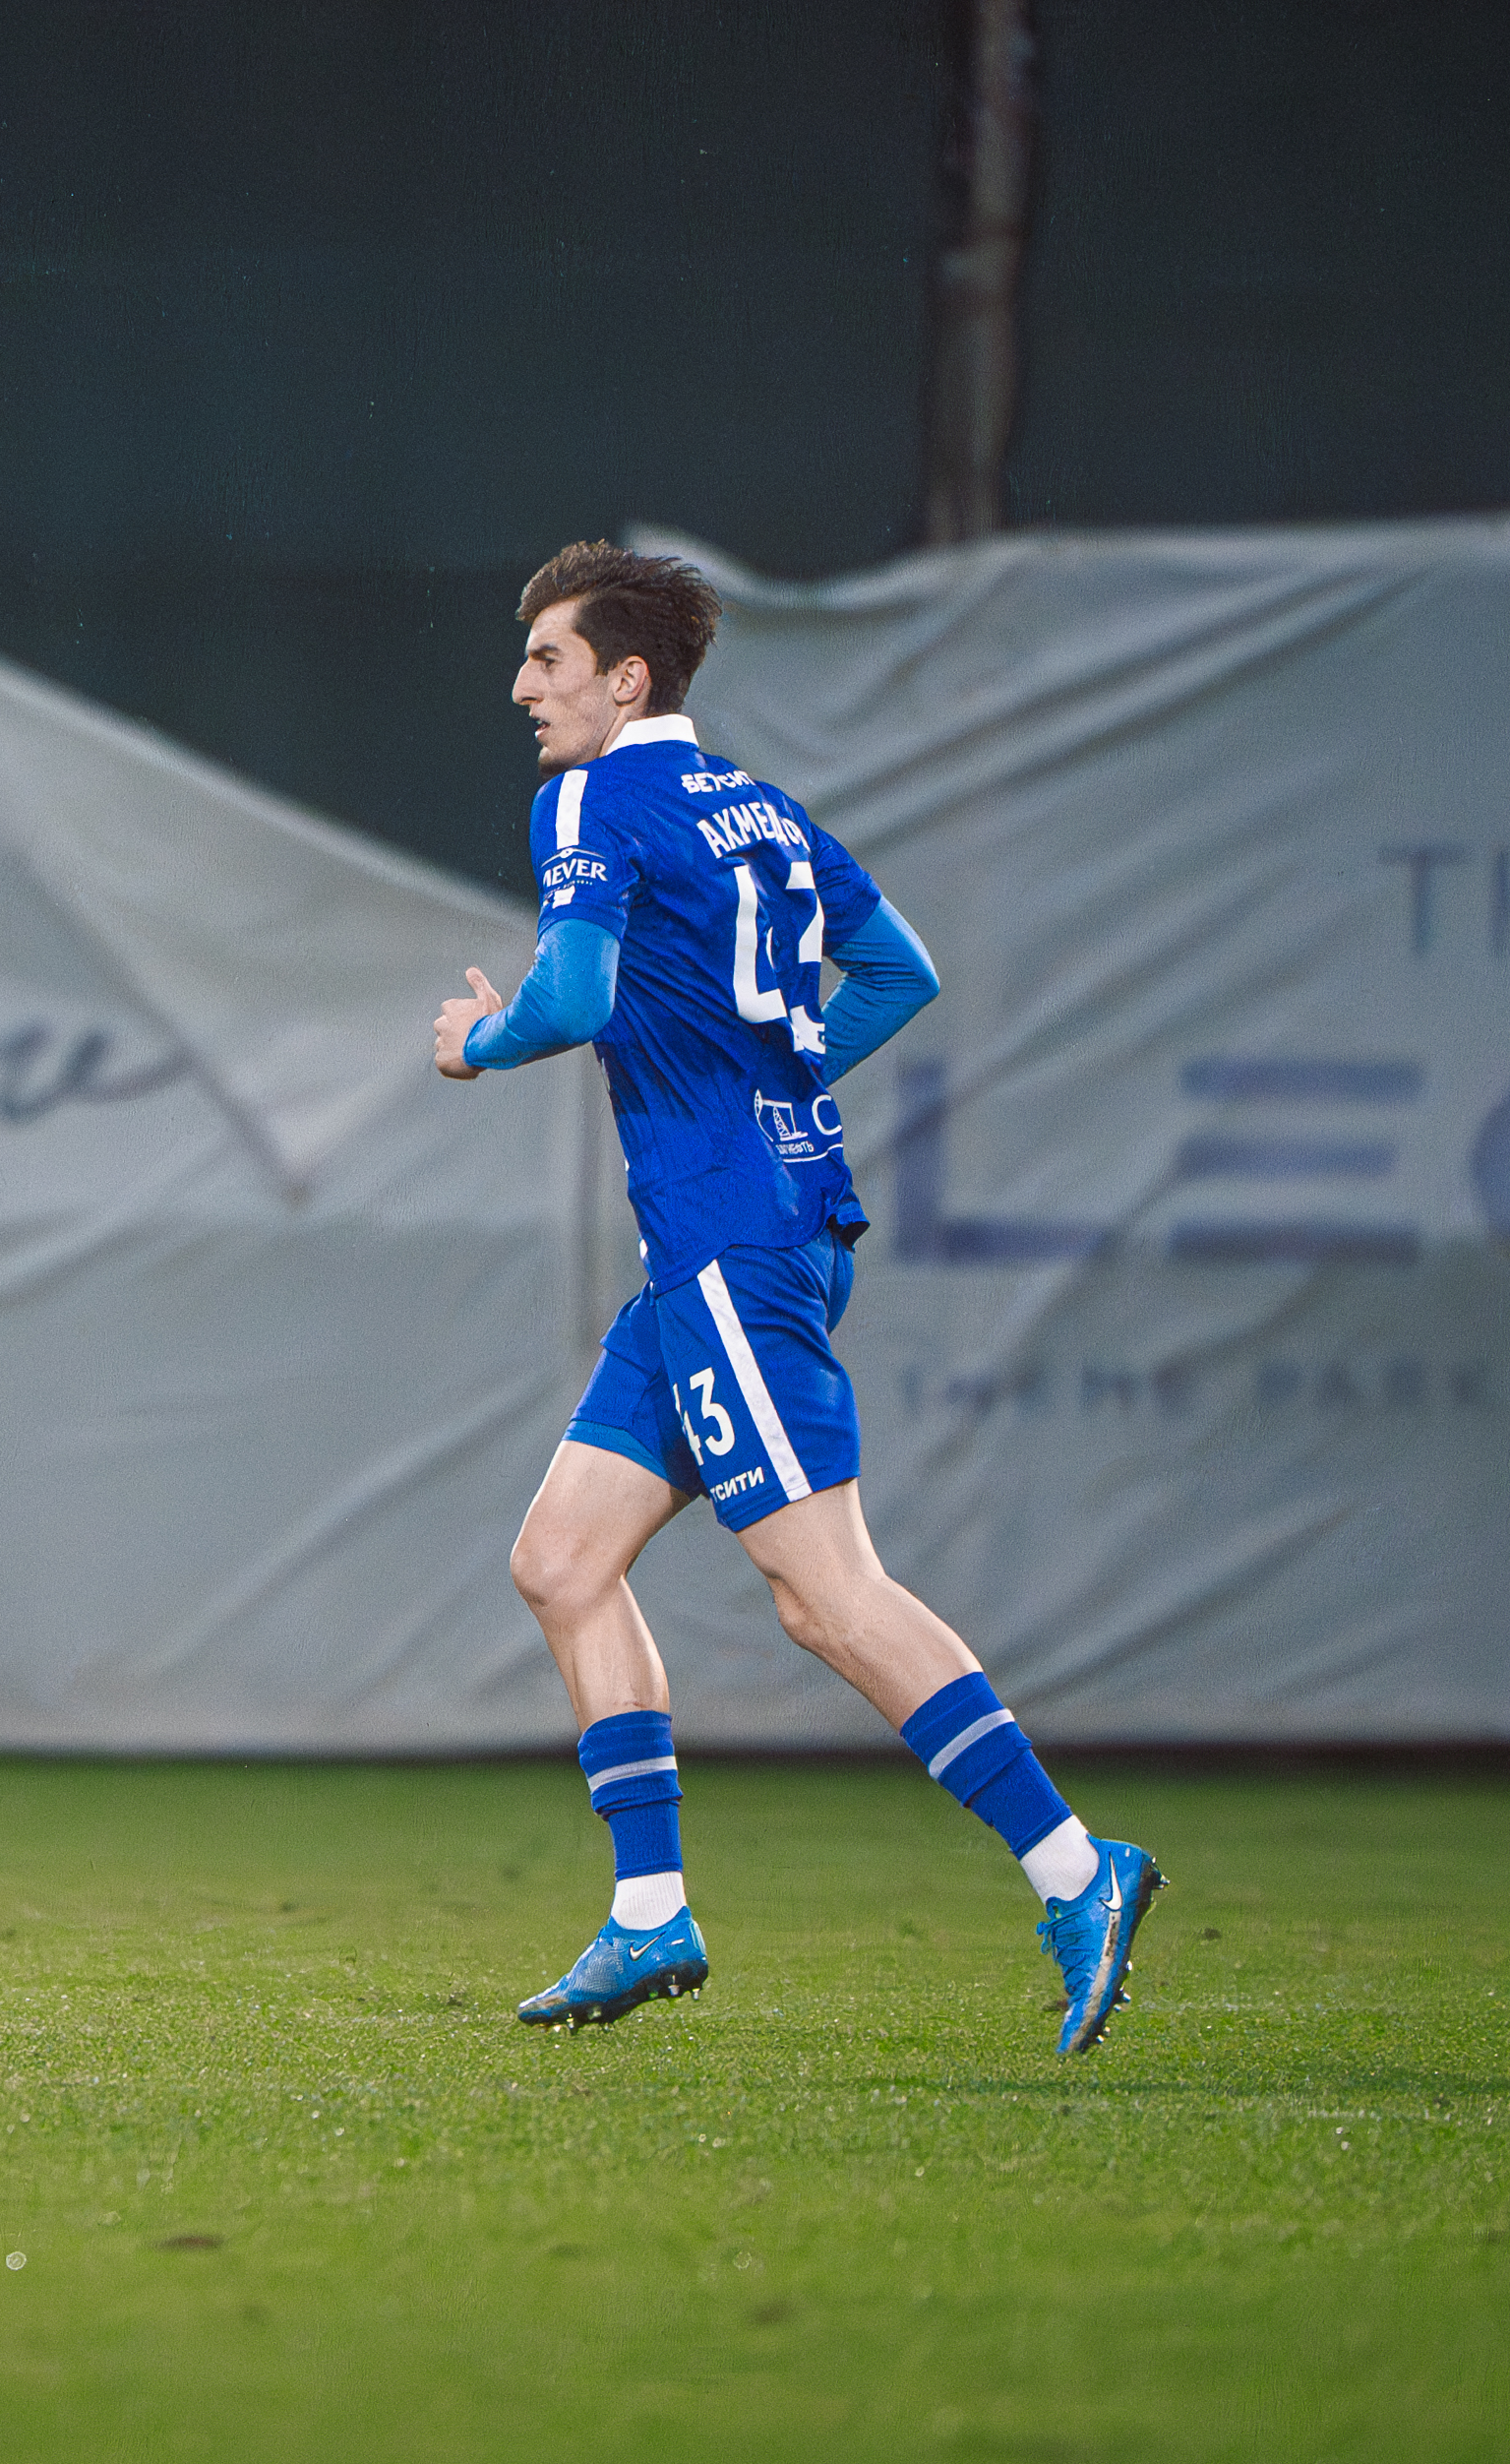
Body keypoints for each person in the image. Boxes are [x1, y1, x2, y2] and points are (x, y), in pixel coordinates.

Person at [432, 541, 1162, 2054]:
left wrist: (478, 1044)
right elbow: (898, 974)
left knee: (824, 1594)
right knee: (563, 1561)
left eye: (549, 660)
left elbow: (571, 998)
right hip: (767, 1228)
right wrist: (782, 1076)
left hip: (728, 1243)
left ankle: (1075, 1869)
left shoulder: (591, 798)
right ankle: (651, 1914)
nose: (522, 688)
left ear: (627, 679)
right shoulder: (763, 809)